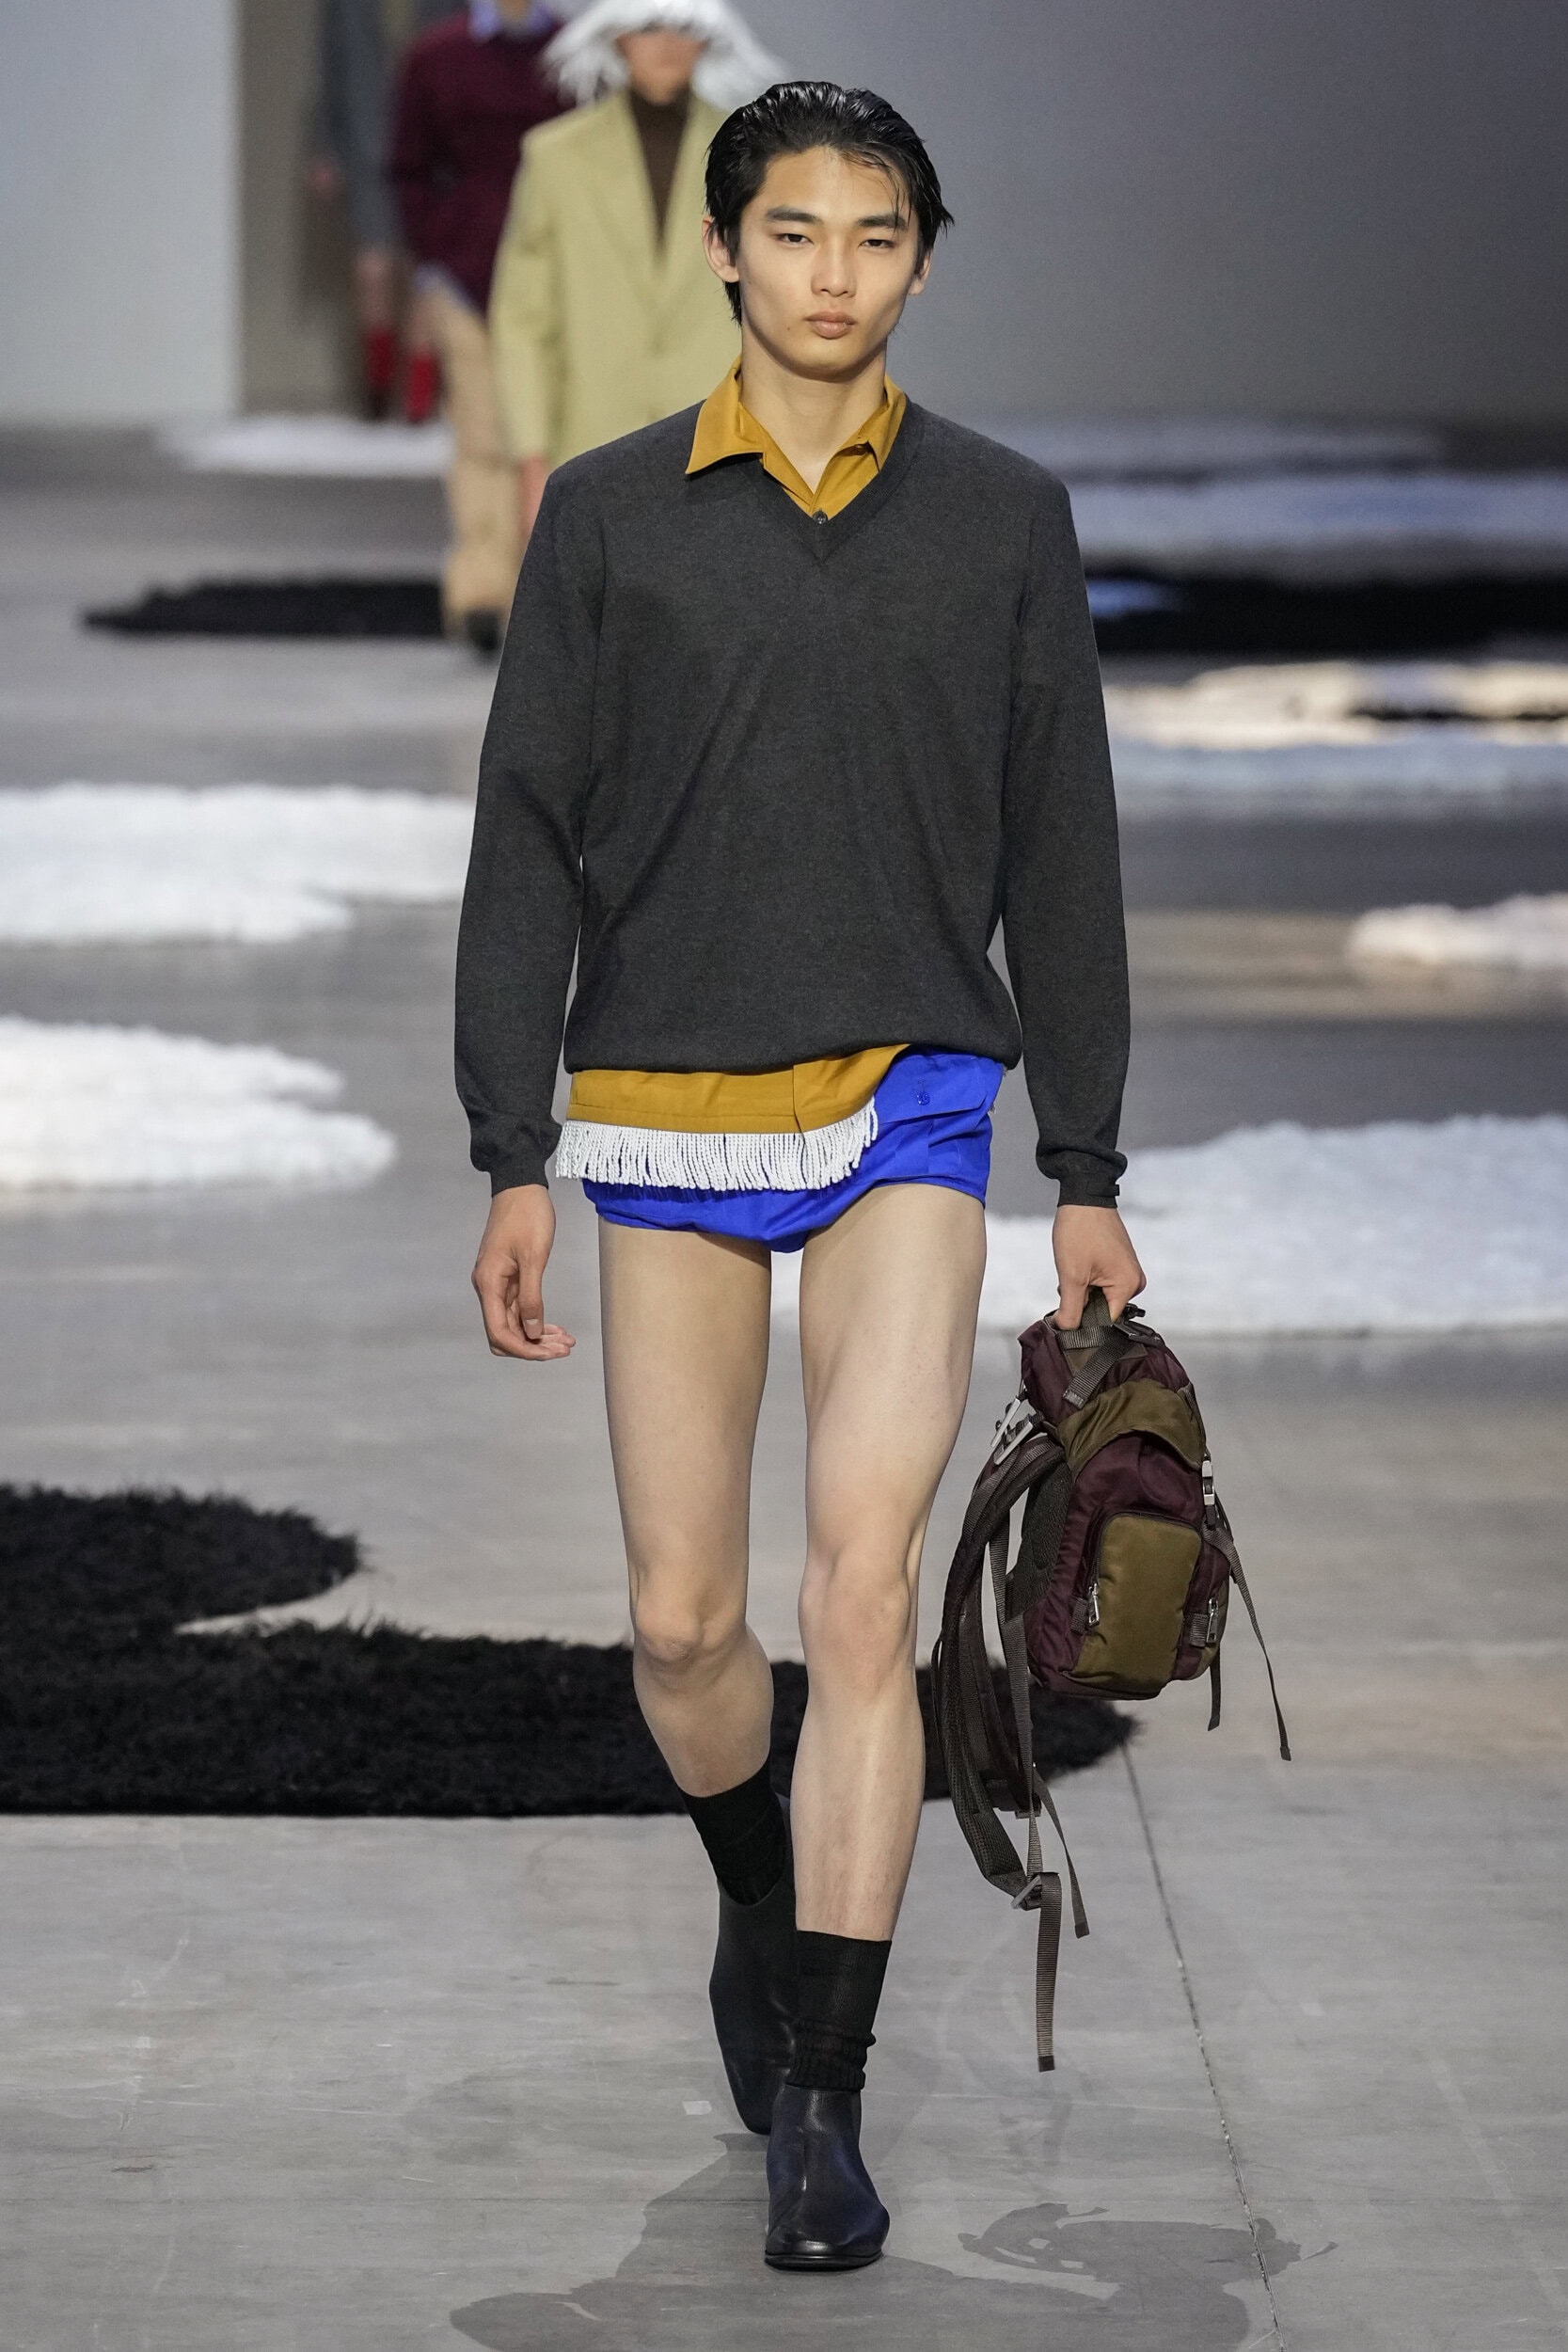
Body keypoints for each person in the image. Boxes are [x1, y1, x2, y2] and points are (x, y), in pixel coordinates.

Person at [455, 82, 1145, 2271]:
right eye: (793, 231)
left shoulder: (1002, 517)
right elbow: (524, 835)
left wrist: (1082, 1158)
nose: (832, 272)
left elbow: (1063, 846)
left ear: (920, 259)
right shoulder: (605, 516)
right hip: (661, 1103)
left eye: (873, 235)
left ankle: (822, 2105)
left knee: (860, 1592)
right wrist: (508, 1143)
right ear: (726, 253)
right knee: (684, 1622)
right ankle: (763, 1901)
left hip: (908, 1101)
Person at [489, 0, 782, 548]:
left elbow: (778, 304)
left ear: (709, 35)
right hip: (591, 437)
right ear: (616, 34)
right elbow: (523, 318)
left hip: (724, 439)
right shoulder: (555, 156)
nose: (666, 41)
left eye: (684, 25)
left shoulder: (759, 160)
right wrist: (531, 457)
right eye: (648, 25)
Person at [389, 0, 570, 649]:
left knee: (553, 433)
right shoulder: (437, 57)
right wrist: (438, 256)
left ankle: (542, 592)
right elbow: (408, 168)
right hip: (468, 279)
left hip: (561, 280)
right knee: (481, 431)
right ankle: (483, 594)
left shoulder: (576, 55)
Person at [309, 0, 453, 421]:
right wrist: (325, 146)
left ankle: (419, 395)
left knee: (426, 270)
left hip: (433, 148)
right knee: (374, 268)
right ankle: (378, 386)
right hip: (367, 145)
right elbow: (329, 70)